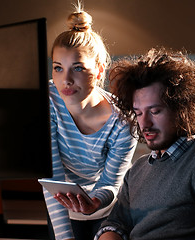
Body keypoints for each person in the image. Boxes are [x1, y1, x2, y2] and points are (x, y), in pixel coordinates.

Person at [95, 48, 195, 240]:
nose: (144, 123)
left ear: (182, 109)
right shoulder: (138, 169)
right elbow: (115, 225)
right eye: (138, 113)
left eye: (154, 111)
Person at [43, 5, 137, 240]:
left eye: (78, 68)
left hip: (106, 208)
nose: (65, 80)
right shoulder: (47, 101)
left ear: (98, 69)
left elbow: (111, 183)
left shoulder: (124, 120)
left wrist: (95, 202)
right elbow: (51, 176)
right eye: (57, 68)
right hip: (60, 206)